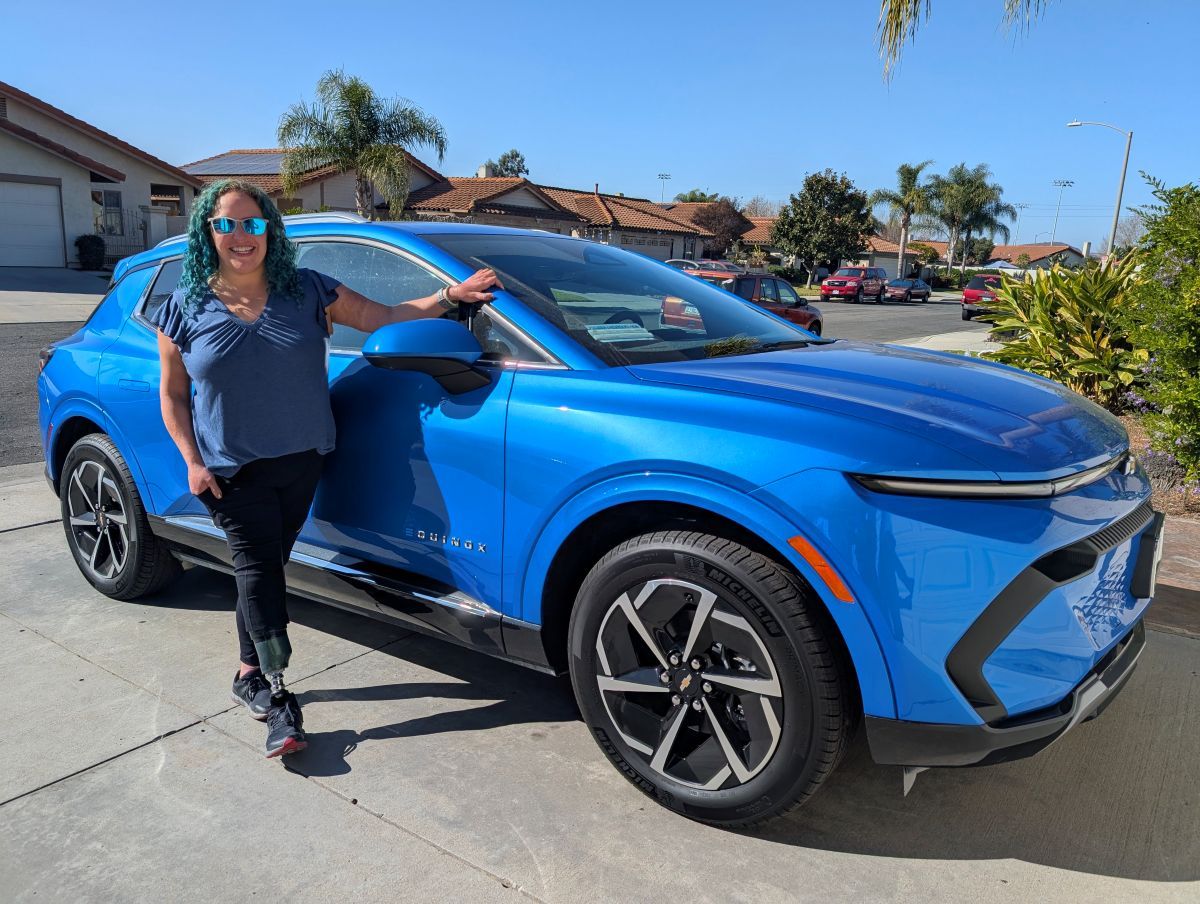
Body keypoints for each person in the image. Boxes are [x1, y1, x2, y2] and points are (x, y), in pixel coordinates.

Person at [152, 179, 499, 757]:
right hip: (229, 471)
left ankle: (245, 672)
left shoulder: (308, 290)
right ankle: (279, 697)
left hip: (303, 461)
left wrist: (451, 296)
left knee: (264, 566)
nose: (241, 236)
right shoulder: (183, 307)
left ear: (269, 230)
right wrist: (191, 460)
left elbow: (386, 315)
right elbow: (173, 396)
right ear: (206, 232)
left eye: (253, 224)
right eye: (227, 224)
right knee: (259, 569)